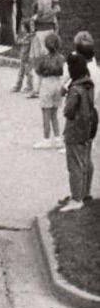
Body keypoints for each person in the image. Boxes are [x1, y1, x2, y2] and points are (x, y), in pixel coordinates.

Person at [61, 51, 97, 212]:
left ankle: (76, 198)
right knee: (86, 160)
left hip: (75, 129)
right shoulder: (88, 84)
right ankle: (84, 192)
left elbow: (68, 111)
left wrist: (67, 92)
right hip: (89, 126)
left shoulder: (75, 89)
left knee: (74, 164)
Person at [33, 32, 65, 150]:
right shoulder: (61, 58)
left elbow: (38, 73)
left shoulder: (43, 59)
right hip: (57, 84)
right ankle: (57, 138)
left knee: (46, 113)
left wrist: (36, 89)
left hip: (46, 84)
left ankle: (46, 139)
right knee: (54, 114)